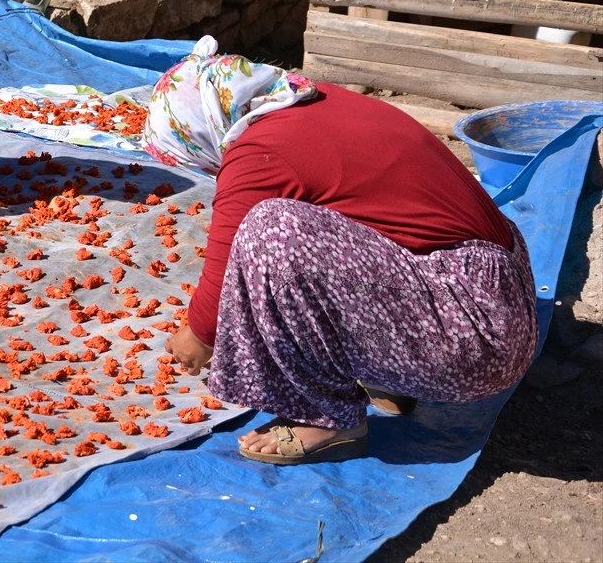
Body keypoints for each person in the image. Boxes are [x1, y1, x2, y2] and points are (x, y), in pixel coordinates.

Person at [144, 36, 537, 465]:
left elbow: (223, 268)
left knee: (271, 231)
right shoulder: (313, 100)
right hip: (502, 301)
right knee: (319, 229)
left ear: (199, 130)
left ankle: (329, 419)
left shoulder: (257, 153)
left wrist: (198, 335)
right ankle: (386, 367)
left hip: (474, 340)